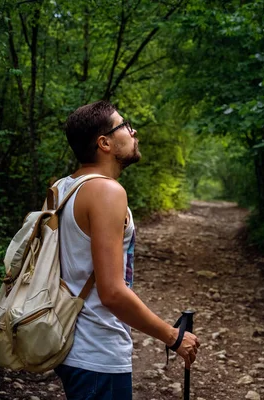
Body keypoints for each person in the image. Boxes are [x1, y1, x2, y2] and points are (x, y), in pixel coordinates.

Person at [53, 100, 200, 400]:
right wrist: (173, 337)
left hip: (70, 346)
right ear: (104, 143)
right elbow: (112, 293)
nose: (134, 131)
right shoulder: (107, 192)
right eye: (125, 126)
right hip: (97, 353)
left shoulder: (63, 188)